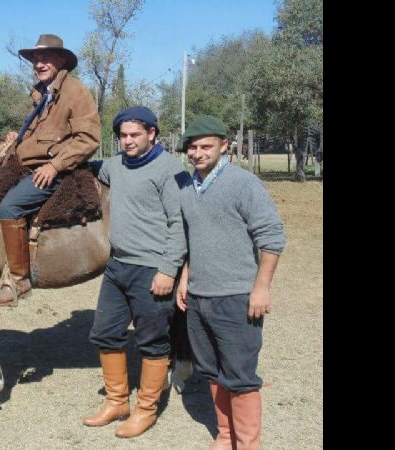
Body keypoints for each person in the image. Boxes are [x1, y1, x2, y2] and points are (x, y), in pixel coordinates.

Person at [175, 115, 285, 450]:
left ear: (225, 145)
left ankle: (248, 443)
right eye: (192, 147)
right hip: (198, 296)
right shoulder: (186, 187)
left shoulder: (244, 183)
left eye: (205, 145)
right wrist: (185, 278)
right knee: (210, 369)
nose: (197, 152)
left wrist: (261, 288)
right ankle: (226, 435)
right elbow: (194, 237)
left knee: (240, 374)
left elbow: (272, 238)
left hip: (236, 295)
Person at [83, 106, 186, 438]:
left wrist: (168, 270)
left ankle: (146, 409)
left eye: (134, 135)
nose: (127, 141)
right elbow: (86, 166)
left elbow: (179, 223)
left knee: (153, 341)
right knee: (105, 333)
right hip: (118, 266)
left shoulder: (169, 168)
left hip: (152, 268)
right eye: (123, 136)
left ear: (151, 134)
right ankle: (117, 402)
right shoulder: (116, 165)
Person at [0, 33, 100, 306]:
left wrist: (55, 165)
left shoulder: (75, 91)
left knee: (10, 207)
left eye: (46, 57)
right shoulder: (41, 93)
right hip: (30, 165)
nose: (39, 63)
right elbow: (43, 137)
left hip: (55, 170)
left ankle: (18, 280)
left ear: (60, 60)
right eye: (36, 59)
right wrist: (19, 141)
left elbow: (88, 138)